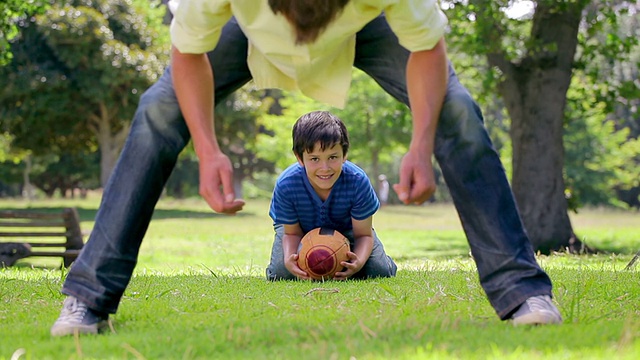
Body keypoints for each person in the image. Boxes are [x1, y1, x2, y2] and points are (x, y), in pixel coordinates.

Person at [50, 0, 562, 337]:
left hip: (363, 25)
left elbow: (427, 48)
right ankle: (88, 299)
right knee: (157, 112)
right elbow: (188, 54)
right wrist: (208, 151)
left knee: (459, 115)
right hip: (246, 26)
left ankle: (523, 292)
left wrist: (421, 143)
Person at [265, 110, 397, 281]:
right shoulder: (287, 184)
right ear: (300, 157)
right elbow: (291, 234)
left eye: (333, 157)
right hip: (299, 231)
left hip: (348, 229)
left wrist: (358, 262)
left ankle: (384, 262)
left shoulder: (357, 181)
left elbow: (363, 235)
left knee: (378, 270)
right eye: (314, 159)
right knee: (281, 273)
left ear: (344, 155)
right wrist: (290, 259)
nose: (325, 168)